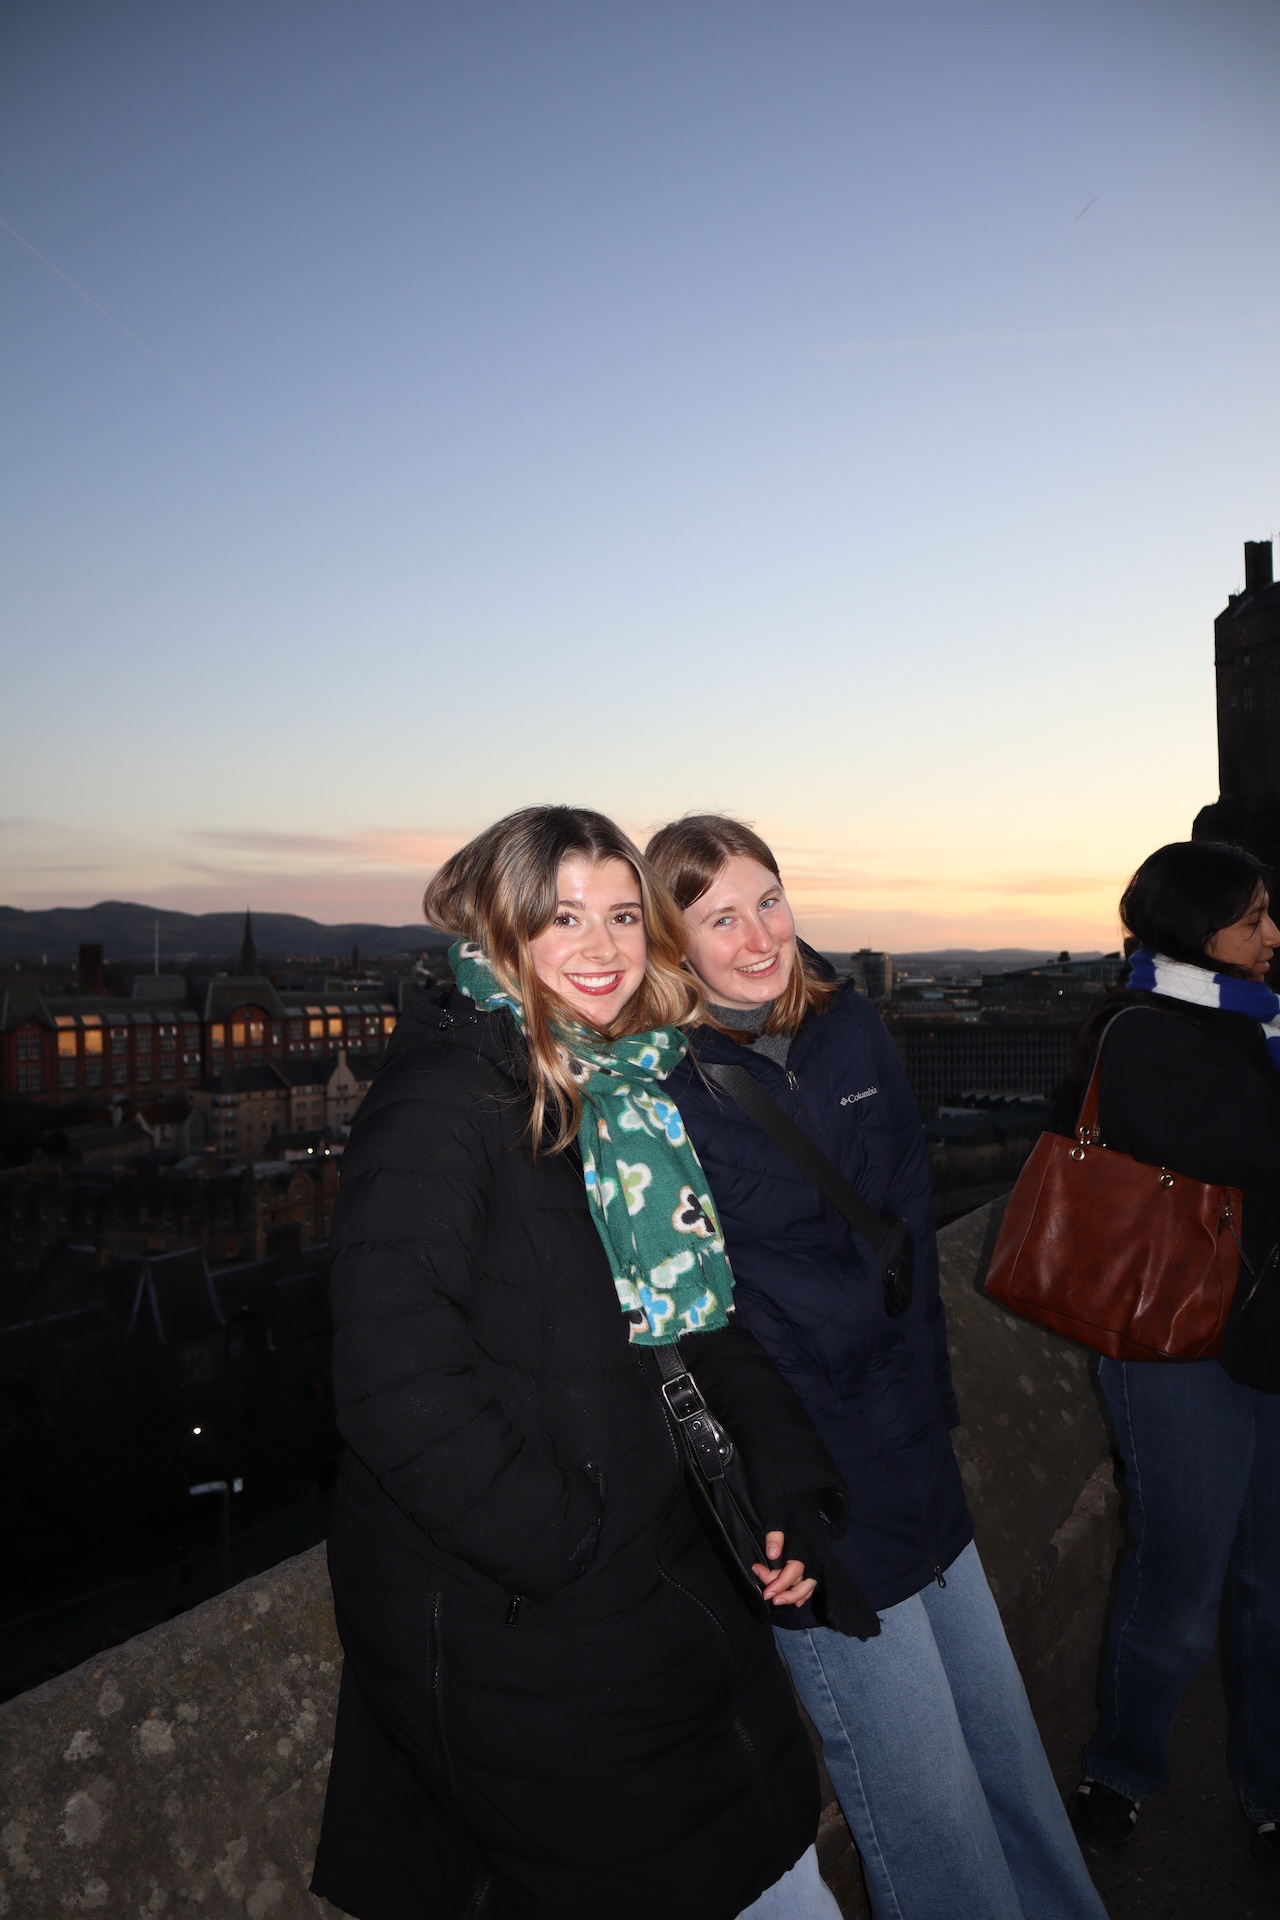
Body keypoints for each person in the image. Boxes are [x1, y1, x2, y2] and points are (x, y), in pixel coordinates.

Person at [310, 804, 860, 1920]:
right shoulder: (444, 1104)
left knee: (770, 1866)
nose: (603, 949)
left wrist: (783, 1488)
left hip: (666, 1598)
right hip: (534, 1631)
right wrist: (577, 1549)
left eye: (621, 916)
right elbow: (393, 1388)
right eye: (562, 919)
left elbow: (698, 1322)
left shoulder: (617, 1094)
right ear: (495, 932)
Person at [646, 813, 1108, 1920]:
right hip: (817, 1498)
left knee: (1012, 1773)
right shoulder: (657, 1094)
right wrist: (787, 1504)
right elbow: (700, 1328)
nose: (758, 935)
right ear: (670, 943)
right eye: (718, 917)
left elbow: (900, 1233)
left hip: (912, 1460)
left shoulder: (849, 1029)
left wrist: (928, 1420)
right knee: (929, 1822)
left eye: (769, 898)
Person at [1057, 840, 1280, 1884]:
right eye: (1249, 920)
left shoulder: (1256, 1019)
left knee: (1269, 1591)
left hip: (1263, 1338)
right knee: (1178, 1591)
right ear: (1194, 928)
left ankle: (1268, 1787)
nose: (1271, 936)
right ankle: (1120, 1774)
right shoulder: (1145, 1029)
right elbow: (1247, 1149)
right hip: (1176, 1348)